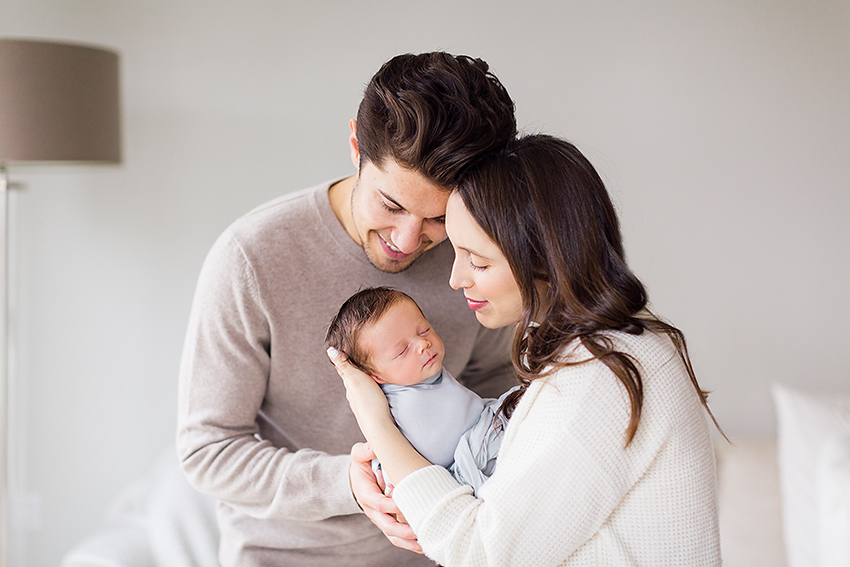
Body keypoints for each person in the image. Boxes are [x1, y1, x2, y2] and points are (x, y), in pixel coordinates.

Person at [176, 52, 518, 567]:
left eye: (436, 218)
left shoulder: (474, 260)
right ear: (357, 146)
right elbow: (208, 451)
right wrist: (347, 484)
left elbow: (494, 381)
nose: (407, 240)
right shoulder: (251, 257)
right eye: (391, 205)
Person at [330, 134, 724, 566]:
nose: (456, 278)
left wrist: (378, 427)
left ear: (545, 257)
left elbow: (481, 553)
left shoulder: (599, 375)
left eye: (478, 262)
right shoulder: (618, 345)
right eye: (455, 254)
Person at [325, 287, 515, 493]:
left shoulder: (424, 373)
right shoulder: (388, 405)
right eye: (402, 351)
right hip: (462, 476)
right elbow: (392, 471)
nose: (423, 344)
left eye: (424, 330)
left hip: (491, 433)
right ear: (375, 377)